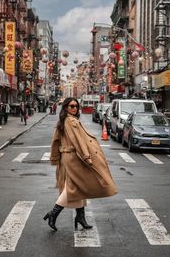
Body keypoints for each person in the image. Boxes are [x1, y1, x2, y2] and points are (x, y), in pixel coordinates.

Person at [43, 97, 117, 232]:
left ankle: (80, 217)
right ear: (65, 107)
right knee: (72, 187)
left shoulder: (65, 120)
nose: (74, 108)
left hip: (69, 157)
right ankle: (53, 214)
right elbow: (77, 141)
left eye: (76, 106)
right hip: (74, 158)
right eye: (71, 106)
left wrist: (56, 157)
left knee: (79, 186)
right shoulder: (70, 121)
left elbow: (56, 141)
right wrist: (86, 157)